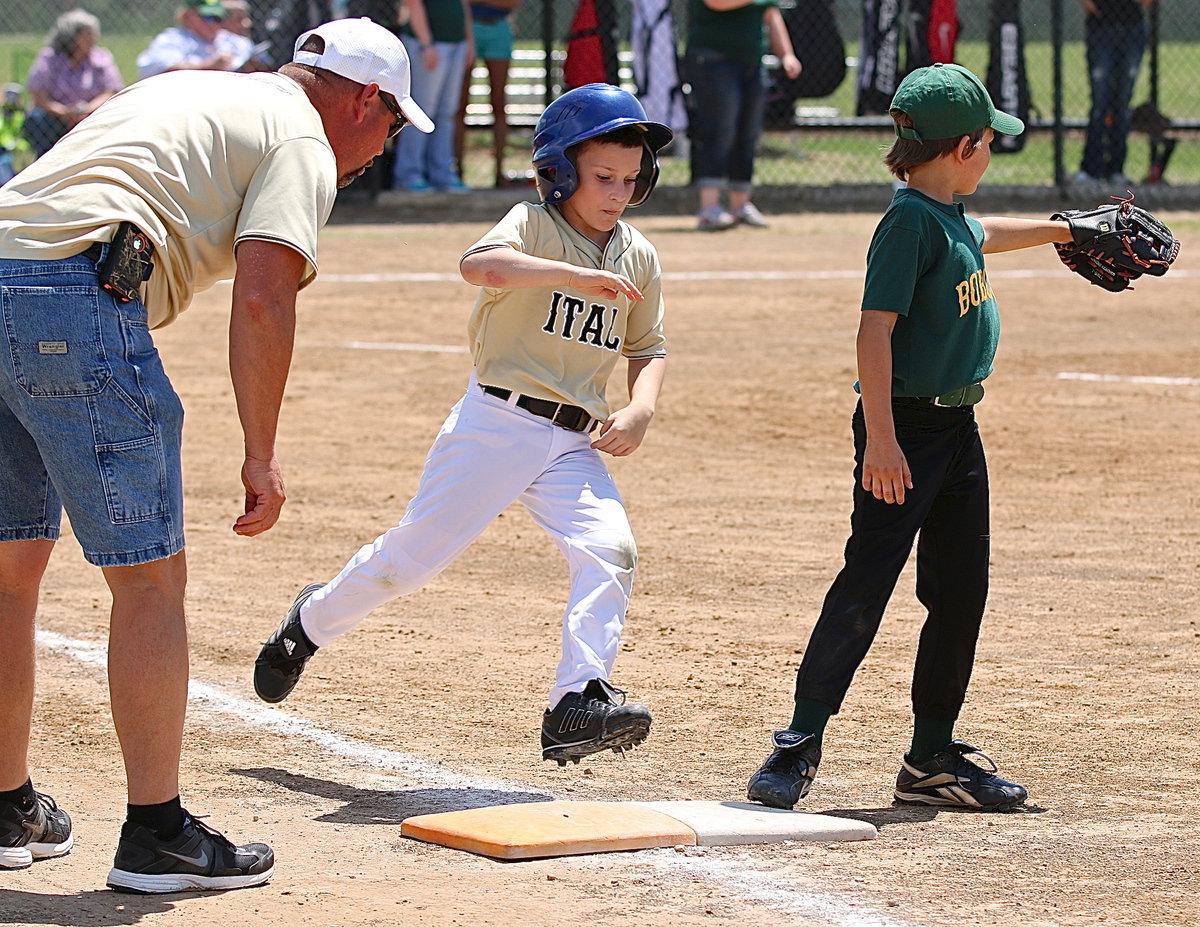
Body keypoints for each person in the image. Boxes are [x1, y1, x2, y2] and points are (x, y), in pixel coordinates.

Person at [0, 17, 432, 889]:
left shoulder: (190, 85)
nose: (382, 148)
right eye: (391, 125)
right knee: (149, 580)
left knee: (9, 570)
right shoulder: (303, 137)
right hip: (73, 301)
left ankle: (6, 803)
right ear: (362, 98)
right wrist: (260, 454)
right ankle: (157, 832)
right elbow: (267, 296)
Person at [254, 83, 671, 768]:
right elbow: (479, 265)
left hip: (572, 440)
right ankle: (309, 625)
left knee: (611, 550)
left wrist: (641, 406)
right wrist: (568, 273)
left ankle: (576, 701)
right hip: (497, 423)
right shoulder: (532, 227)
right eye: (603, 177)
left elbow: (647, 345)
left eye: (631, 178)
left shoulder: (638, 255)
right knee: (411, 560)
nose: (618, 192)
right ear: (560, 171)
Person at [745, 63, 1075, 813]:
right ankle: (798, 741)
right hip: (908, 430)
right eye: (991, 140)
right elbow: (874, 334)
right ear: (962, 147)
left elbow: (987, 236)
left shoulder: (947, 211)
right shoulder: (908, 223)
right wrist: (883, 442)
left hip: (957, 429)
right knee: (867, 583)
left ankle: (931, 756)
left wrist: (1065, 227)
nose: (993, 153)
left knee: (960, 592)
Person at [683, 0, 801, 231]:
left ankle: (740, 205)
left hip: (751, 62)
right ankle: (709, 209)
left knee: (748, 133)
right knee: (719, 130)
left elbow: (771, 14)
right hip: (712, 60)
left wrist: (787, 54)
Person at [393, 0, 474, 192]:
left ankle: (442, 174)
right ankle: (409, 175)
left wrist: (469, 42)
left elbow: (463, 5)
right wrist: (426, 44)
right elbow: (412, 4)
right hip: (430, 45)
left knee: (446, 113)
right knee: (421, 111)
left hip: (456, 44)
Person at [1074, 0, 1155, 188]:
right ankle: (1090, 170)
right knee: (1099, 103)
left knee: (1122, 103)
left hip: (1132, 27)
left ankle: (1116, 169)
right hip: (1100, 27)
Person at [22, 9, 124, 158]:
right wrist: (63, 112)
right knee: (37, 118)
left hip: (92, 113)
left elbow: (111, 90)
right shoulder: (49, 58)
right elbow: (38, 95)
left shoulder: (101, 56)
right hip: (55, 116)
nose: (94, 38)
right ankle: (46, 161)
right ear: (71, 36)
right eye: (87, 33)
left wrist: (86, 109)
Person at [454, 0, 523, 188]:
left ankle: (500, 173)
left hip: (498, 28)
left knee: (499, 104)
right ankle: (456, 171)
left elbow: (513, 3)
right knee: (460, 105)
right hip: (467, 28)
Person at [136, 0, 259, 79]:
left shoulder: (235, 42)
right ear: (187, 16)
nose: (214, 23)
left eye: (218, 17)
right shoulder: (172, 39)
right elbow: (155, 69)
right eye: (208, 17)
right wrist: (209, 66)